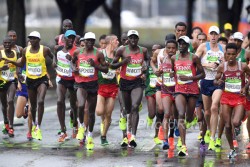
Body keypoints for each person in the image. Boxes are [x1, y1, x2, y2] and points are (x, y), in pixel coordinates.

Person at [6, 31, 54, 140]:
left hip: (40, 80)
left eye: (34, 39)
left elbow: (50, 61)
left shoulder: (44, 50)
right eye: (30, 40)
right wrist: (11, 63)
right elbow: (18, 68)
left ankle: (34, 129)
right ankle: (29, 114)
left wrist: (52, 72)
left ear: (38, 40)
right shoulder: (24, 53)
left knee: (39, 102)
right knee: (19, 114)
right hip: (26, 85)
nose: (31, 42)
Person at [110, 30, 149, 148]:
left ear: (138, 39)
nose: (133, 40)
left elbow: (147, 60)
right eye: (131, 37)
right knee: (126, 110)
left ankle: (133, 136)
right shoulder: (121, 50)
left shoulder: (143, 50)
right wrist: (123, 63)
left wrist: (145, 67)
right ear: (128, 39)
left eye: (135, 37)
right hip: (124, 82)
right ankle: (126, 135)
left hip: (137, 82)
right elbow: (112, 65)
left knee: (134, 107)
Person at [72, 32, 108, 150]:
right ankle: (81, 126)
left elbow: (106, 69)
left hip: (92, 84)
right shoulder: (78, 52)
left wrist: (96, 66)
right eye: (88, 40)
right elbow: (72, 62)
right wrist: (74, 69)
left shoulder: (98, 53)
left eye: (92, 41)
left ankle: (90, 135)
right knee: (81, 105)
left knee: (91, 113)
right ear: (84, 41)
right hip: (80, 83)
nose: (90, 43)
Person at [214, 43, 250, 158]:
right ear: (225, 54)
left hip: (239, 98)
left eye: (233, 54)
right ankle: (231, 148)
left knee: (235, 122)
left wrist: (245, 87)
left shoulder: (243, 66)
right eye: (228, 54)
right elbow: (216, 79)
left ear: (237, 54)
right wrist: (218, 82)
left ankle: (238, 126)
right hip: (226, 98)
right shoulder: (222, 67)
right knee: (228, 126)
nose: (230, 57)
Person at [172, 36, 205, 156]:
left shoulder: (194, 57)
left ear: (188, 45)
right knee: (181, 114)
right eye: (179, 44)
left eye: (183, 44)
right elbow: (173, 71)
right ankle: (184, 146)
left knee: (189, 118)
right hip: (179, 89)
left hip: (192, 90)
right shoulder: (173, 57)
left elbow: (202, 74)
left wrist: (190, 78)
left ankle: (193, 118)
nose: (181, 46)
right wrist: (172, 74)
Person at [195, 26, 225, 151]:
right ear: (208, 35)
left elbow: (227, 61)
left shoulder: (223, 48)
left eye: (215, 34)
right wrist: (207, 64)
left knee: (214, 107)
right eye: (211, 34)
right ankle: (208, 129)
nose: (213, 36)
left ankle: (212, 138)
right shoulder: (203, 47)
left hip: (217, 82)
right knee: (207, 111)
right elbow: (194, 60)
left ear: (218, 36)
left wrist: (220, 64)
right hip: (205, 81)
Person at [54, 30, 78, 142]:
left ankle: (75, 124)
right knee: (60, 101)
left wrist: (72, 60)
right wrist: (54, 62)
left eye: (73, 38)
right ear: (64, 39)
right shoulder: (58, 49)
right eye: (69, 37)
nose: (71, 40)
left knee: (73, 104)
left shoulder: (77, 51)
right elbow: (55, 57)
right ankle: (63, 131)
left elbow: (77, 68)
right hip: (61, 78)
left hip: (73, 80)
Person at [96, 34, 119, 146]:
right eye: (116, 41)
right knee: (100, 112)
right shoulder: (101, 53)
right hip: (101, 85)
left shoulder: (117, 55)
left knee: (108, 113)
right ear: (111, 42)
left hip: (112, 86)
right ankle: (102, 121)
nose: (118, 42)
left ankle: (103, 136)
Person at [160, 39, 178, 150]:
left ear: (176, 49)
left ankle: (176, 129)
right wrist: (158, 71)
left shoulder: (180, 60)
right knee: (166, 114)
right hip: (165, 90)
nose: (171, 50)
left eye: (173, 48)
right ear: (165, 48)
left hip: (178, 91)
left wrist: (175, 73)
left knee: (176, 115)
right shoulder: (163, 59)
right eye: (168, 48)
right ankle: (165, 140)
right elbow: (158, 70)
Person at [0, 36, 19, 137]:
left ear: (12, 44)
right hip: (2, 81)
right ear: (3, 44)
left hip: (12, 80)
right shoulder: (1, 53)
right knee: (4, 104)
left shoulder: (16, 53)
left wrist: (19, 76)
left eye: (9, 43)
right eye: (5, 43)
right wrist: (1, 68)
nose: (7, 45)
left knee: (10, 101)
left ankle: (11, 127)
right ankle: (6, 122)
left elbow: (18, 65)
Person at [145, 44, 162, 145]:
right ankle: (149, 117)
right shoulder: (148, 62)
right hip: (150, 90)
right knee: (152, 114)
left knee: (160, 113)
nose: (155, 52)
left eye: (157, 50)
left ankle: (157, 135)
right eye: (153, 50)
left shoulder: (163, 61)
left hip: (159, 90)